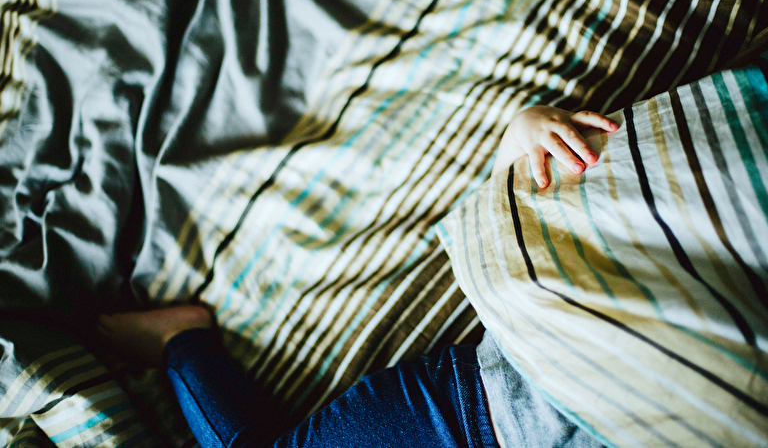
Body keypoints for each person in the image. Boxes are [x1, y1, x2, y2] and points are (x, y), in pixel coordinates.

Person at [97, 105, 618, 448]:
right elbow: (514, 229)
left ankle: (183, 343)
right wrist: (522, 139)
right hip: (471, 415)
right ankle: (182, 342)